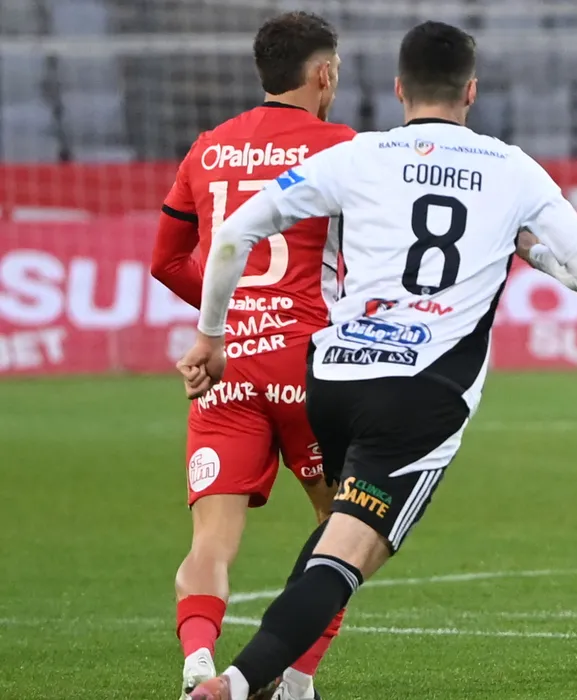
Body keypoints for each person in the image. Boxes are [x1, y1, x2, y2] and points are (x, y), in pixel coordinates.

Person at [179, 21, 577, 700]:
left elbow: (235, 232)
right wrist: (526, 249)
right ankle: (237, 685)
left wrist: (211, 335)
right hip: (420, 388)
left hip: (332, 376)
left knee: (338, 531)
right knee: (348, 552)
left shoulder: (357, 155)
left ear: (398, 89)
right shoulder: (512, 167)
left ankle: (290, 682)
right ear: (471, 91)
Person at [149, 11, 355, 699]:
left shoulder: (208, 149)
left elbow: (166, 261)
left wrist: (230, 320)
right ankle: (295, 679)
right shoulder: (344, 148)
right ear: (322, 74)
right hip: (310, 367)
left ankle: (197, 666)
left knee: (210, 543)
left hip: (226, 366)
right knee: (344, 532)